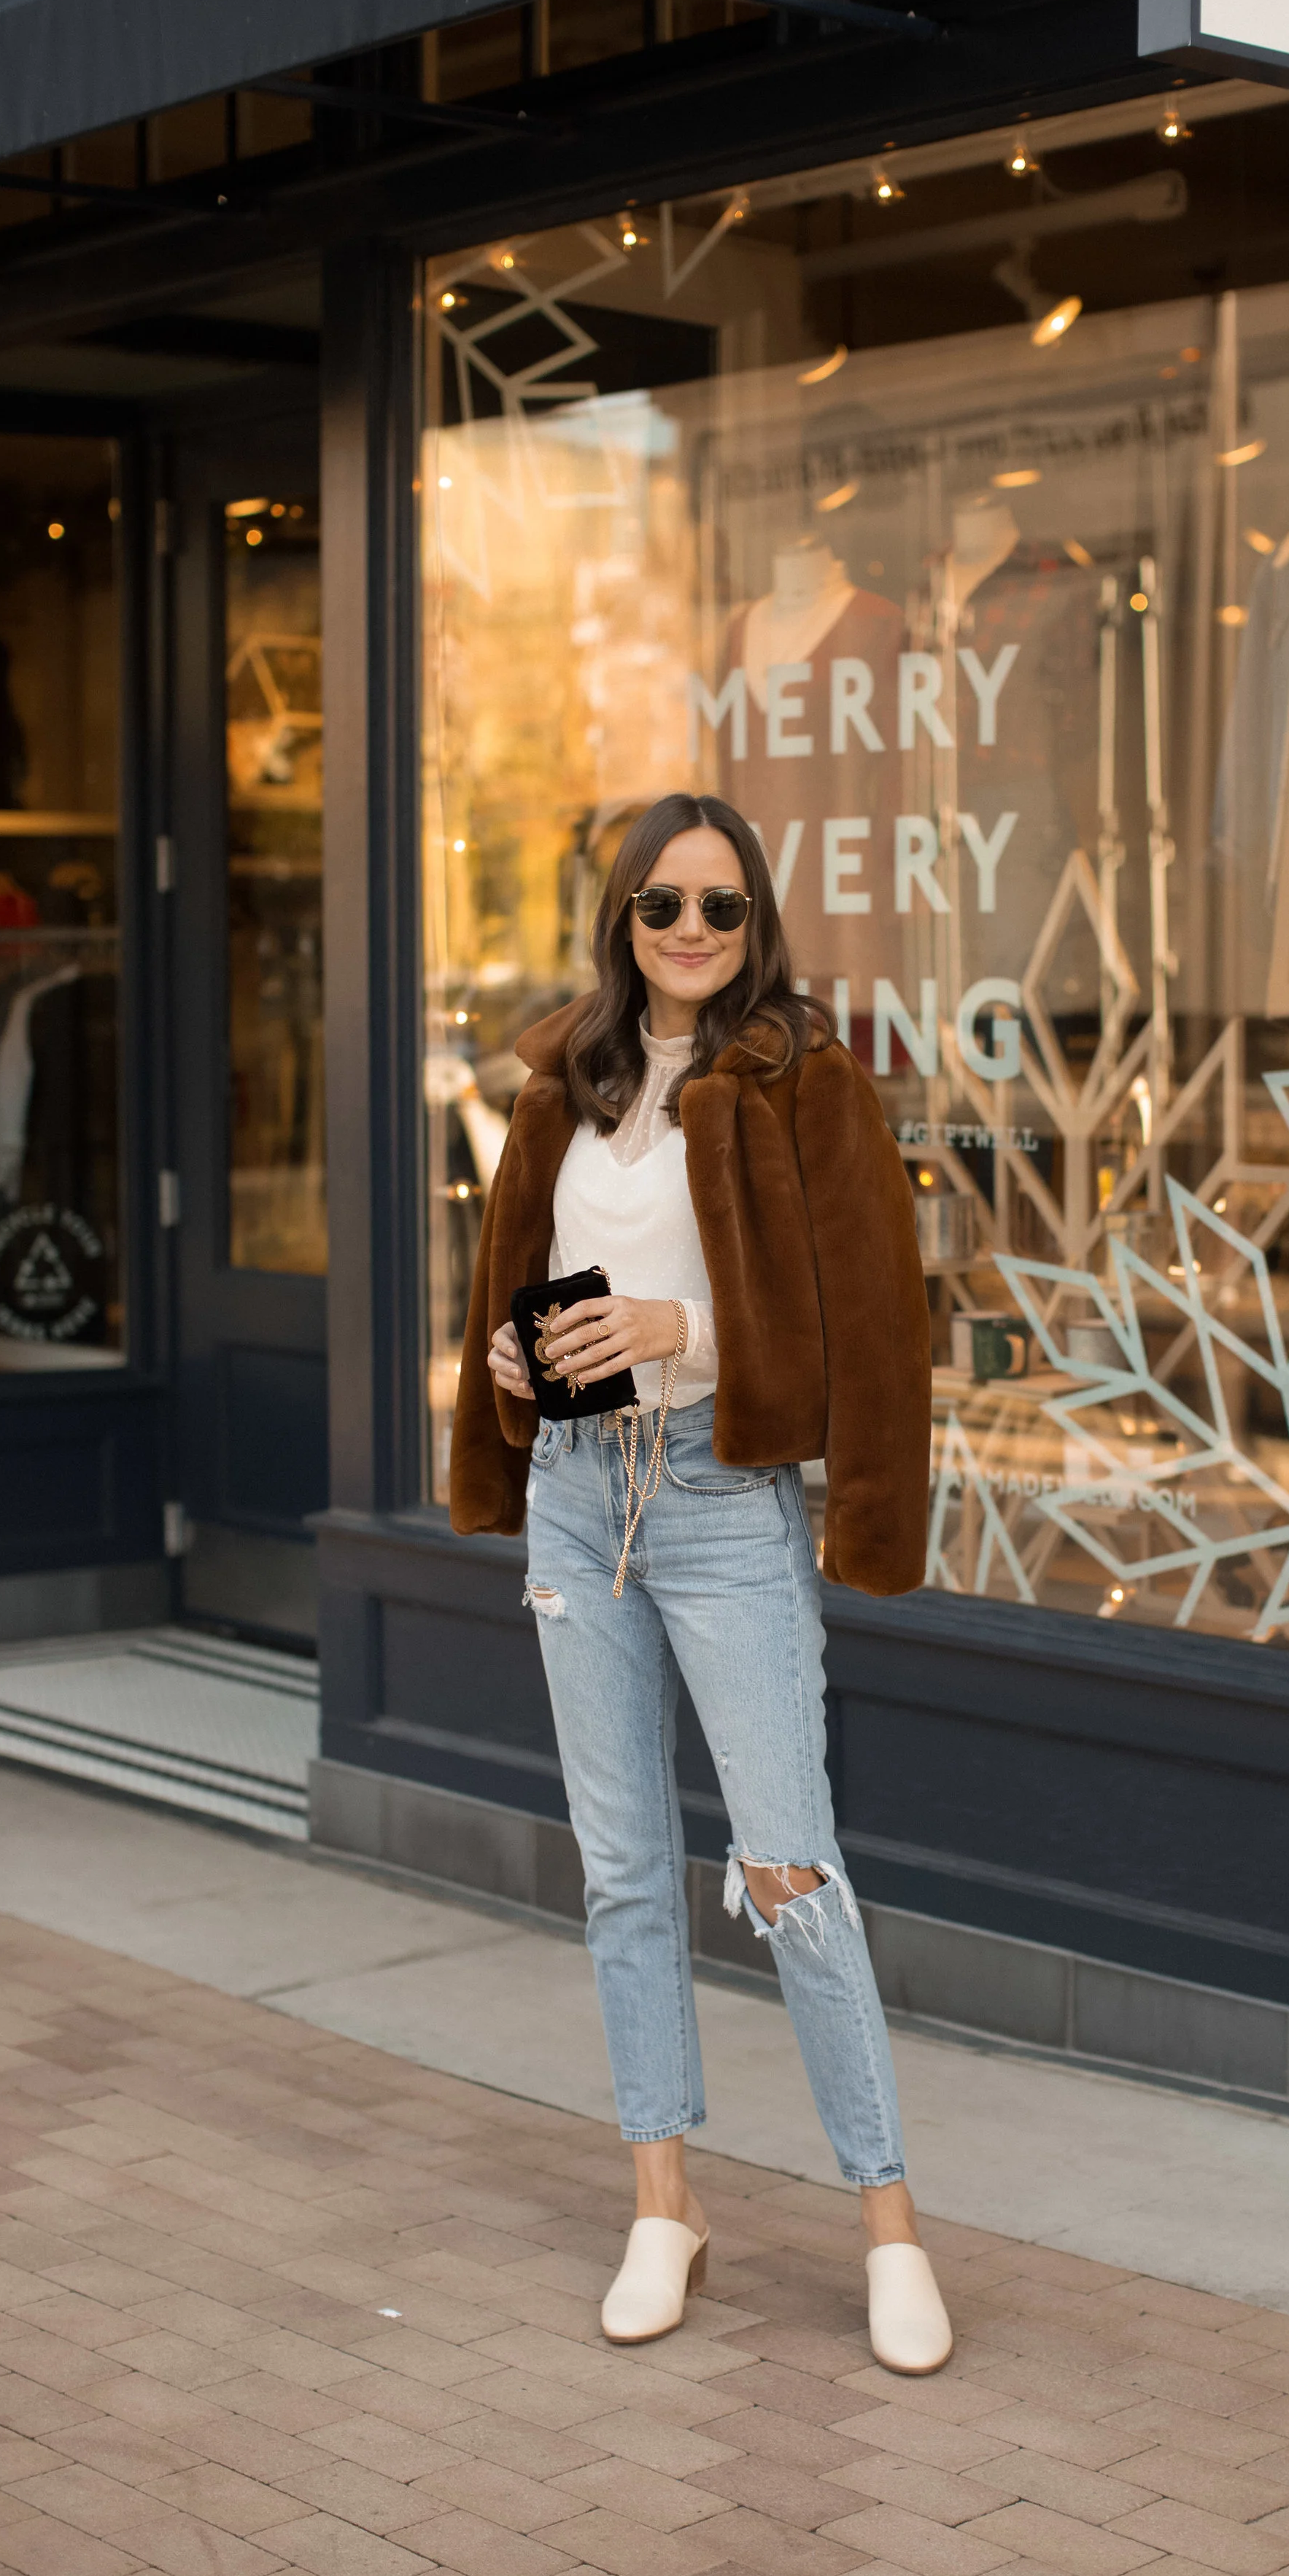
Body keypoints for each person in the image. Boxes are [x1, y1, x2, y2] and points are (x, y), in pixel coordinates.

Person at [450, 790, 949, 2373]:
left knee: (791, 1872)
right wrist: (510, 1360)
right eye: (660, 904)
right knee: (620, 1872)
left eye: (720, 906)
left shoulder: (803, 1079)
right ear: (621, 917)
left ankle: (890, 2228)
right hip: (574, 1491)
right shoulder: (565, 1084)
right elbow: (515, 1286)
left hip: (724, 1505)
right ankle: (662, 2207)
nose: (688, 931)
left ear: (756, 923)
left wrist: (681, 1329)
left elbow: (871, 1321)